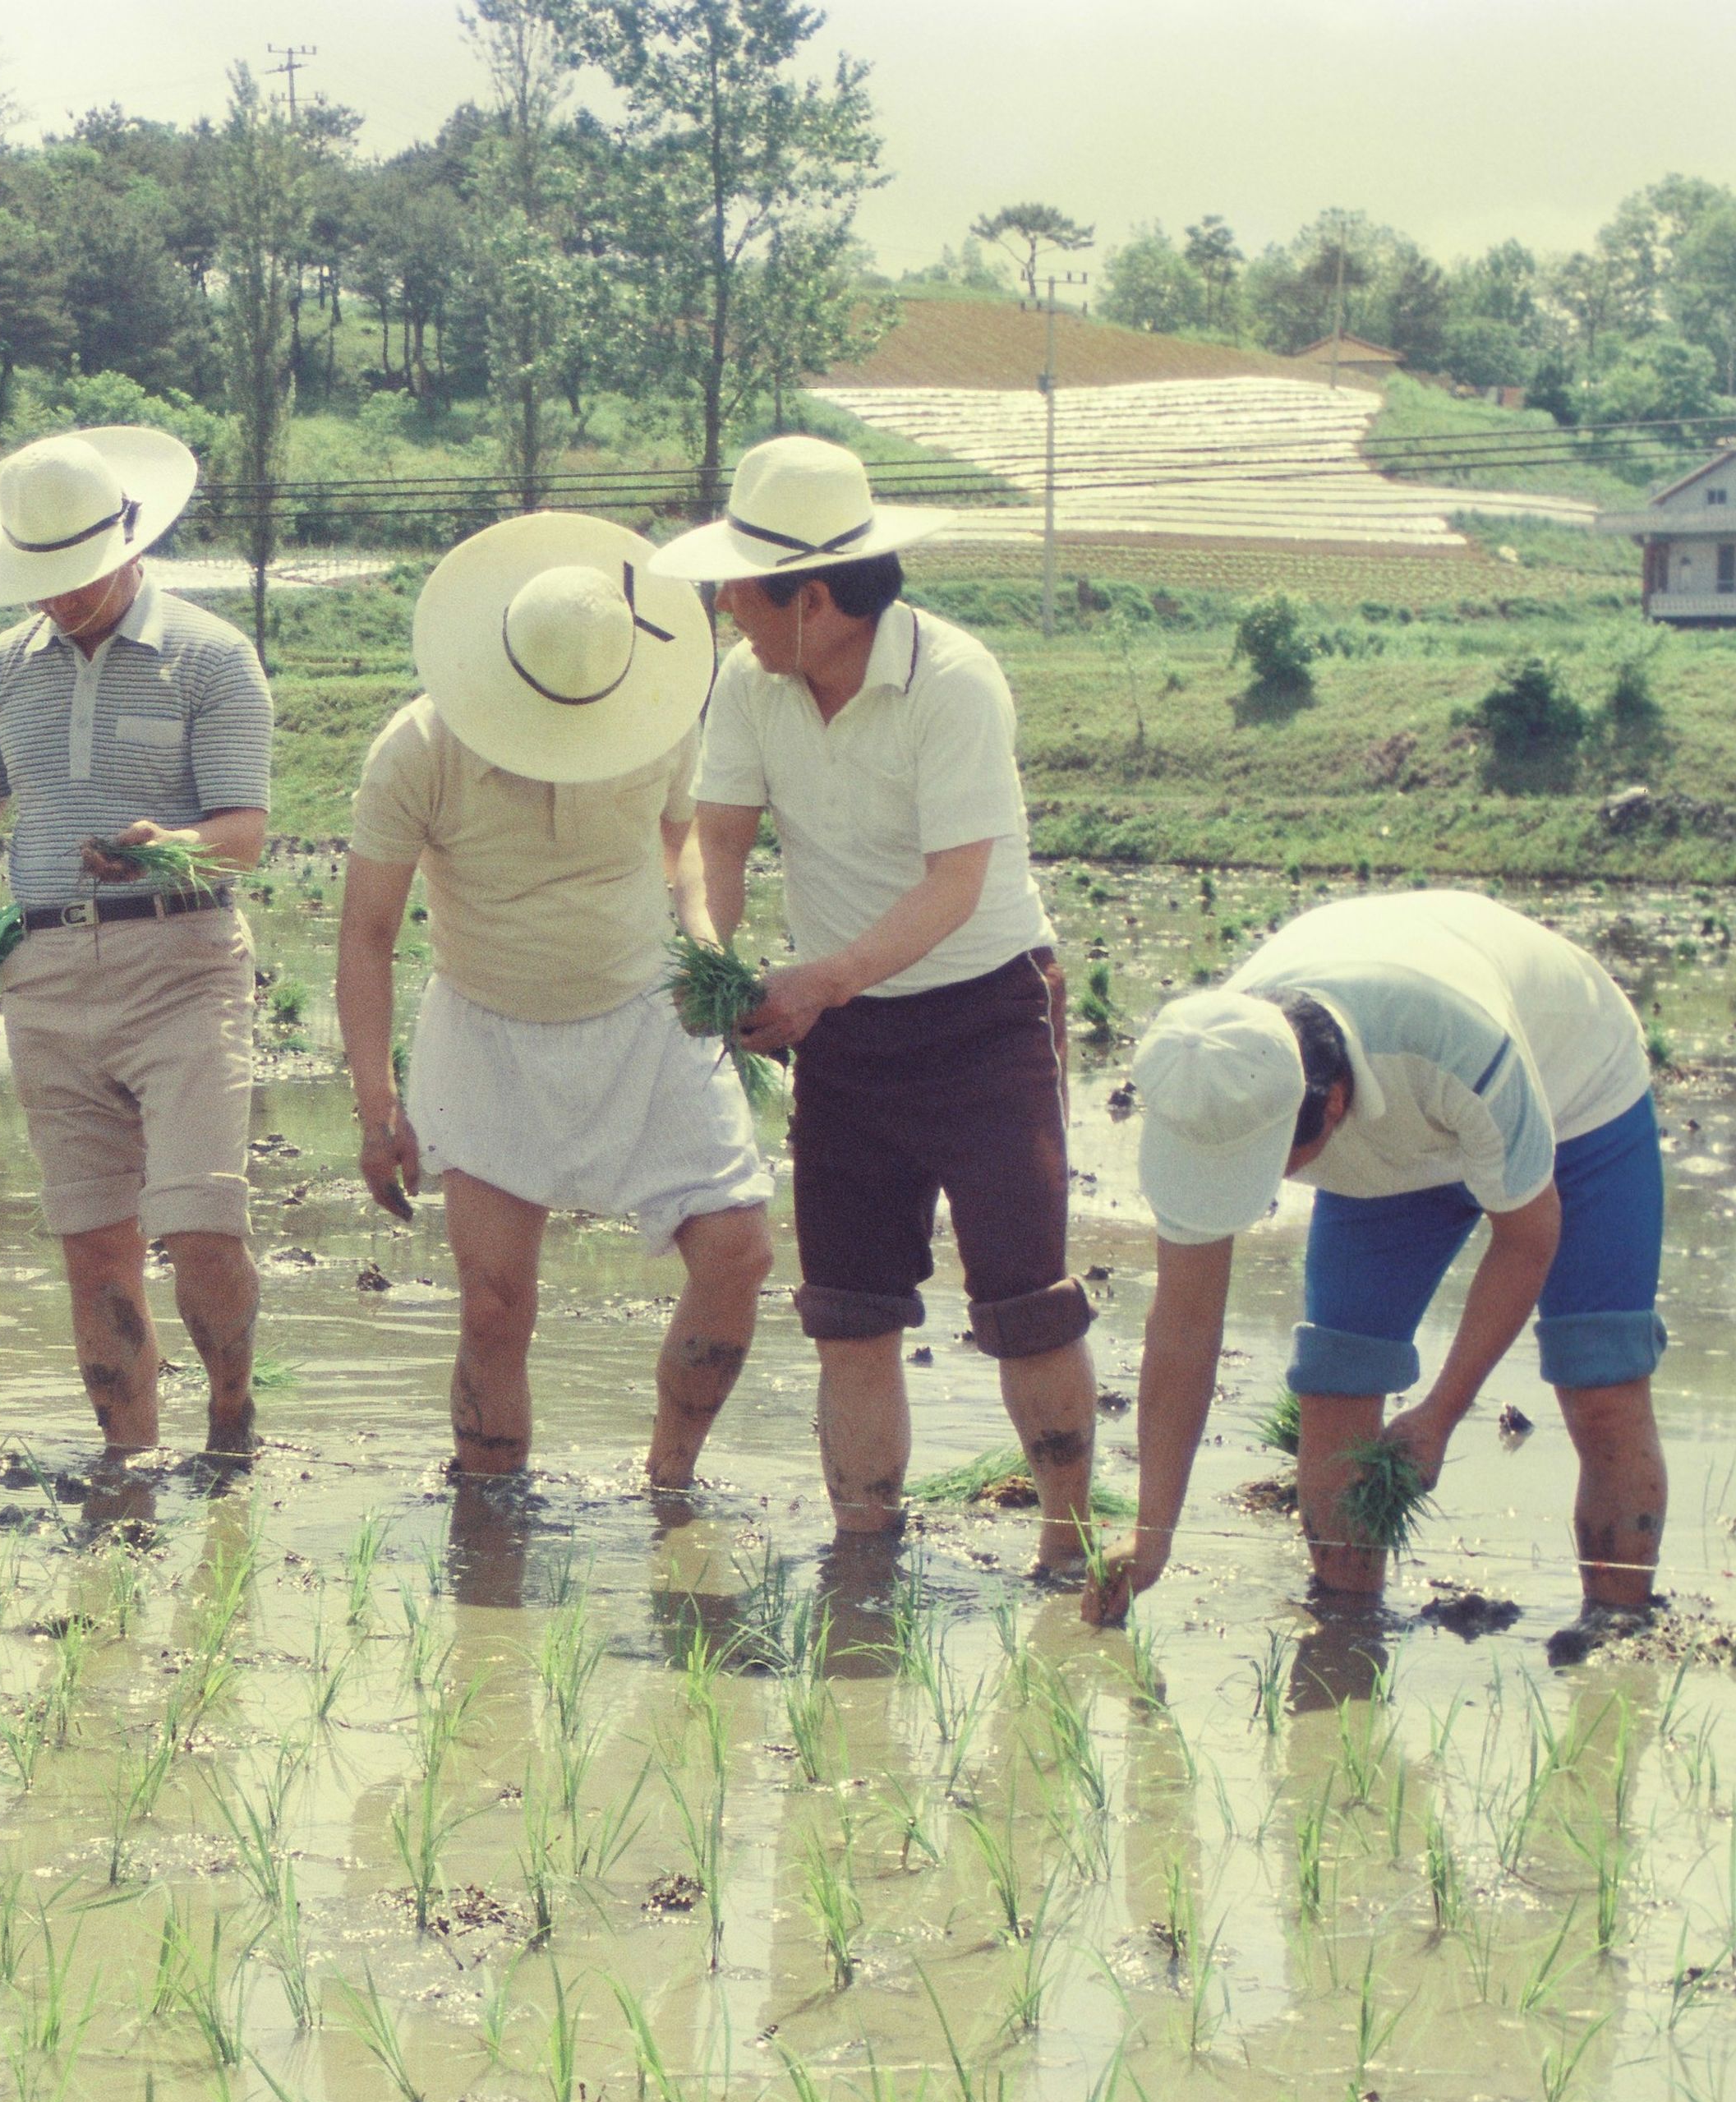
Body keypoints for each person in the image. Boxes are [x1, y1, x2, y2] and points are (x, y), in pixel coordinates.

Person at [656, 436, 1099, 1567]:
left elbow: (955, 882)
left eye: (738, 585)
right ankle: (864, 1547)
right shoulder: (755, 690)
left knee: (1024, 1298)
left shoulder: (951, 681)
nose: (722, 604)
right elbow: (715, 844)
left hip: (984, 1013)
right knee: (850, 1306)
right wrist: (716, 955)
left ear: (812, 598)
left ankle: (1070, 1539)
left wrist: (820, 979)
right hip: (845, 1034)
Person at [0, 427, 272, 1460]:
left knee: (202, 1221)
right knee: (91, 1241)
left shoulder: (211, 658)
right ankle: (127, 1462)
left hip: (181, 967)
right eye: (39, 580)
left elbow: (243, 837)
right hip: (44, 974)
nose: (58, 599)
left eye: (77, 576)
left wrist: (171, 848)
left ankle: (230, 1422)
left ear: (129, 541)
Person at [1104, 891, 1666, 1662]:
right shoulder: (1215, 1076)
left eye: (1265, 1166)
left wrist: (1438, 1414)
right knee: (1335, 1385)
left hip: (1572, 1095)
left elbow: (1528, 1237)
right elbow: (1184, 1325)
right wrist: (1152, 1530)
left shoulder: (1451, 1041)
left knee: (1599, 1376)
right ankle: (1344, 1637)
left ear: (1330, 1106)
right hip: (1398, 1139)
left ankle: (1620, 1638)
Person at [338, 511, 771, 1488]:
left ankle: (668, 1479)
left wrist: (703, 944)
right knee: (493, 1304)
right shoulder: (415, 750)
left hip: (644, 1015)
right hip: (486, 1026)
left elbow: (681, 850)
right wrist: (376, 1106)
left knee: (737, 1253)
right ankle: (490, 1521)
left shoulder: (656, 711)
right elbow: (366, 935)